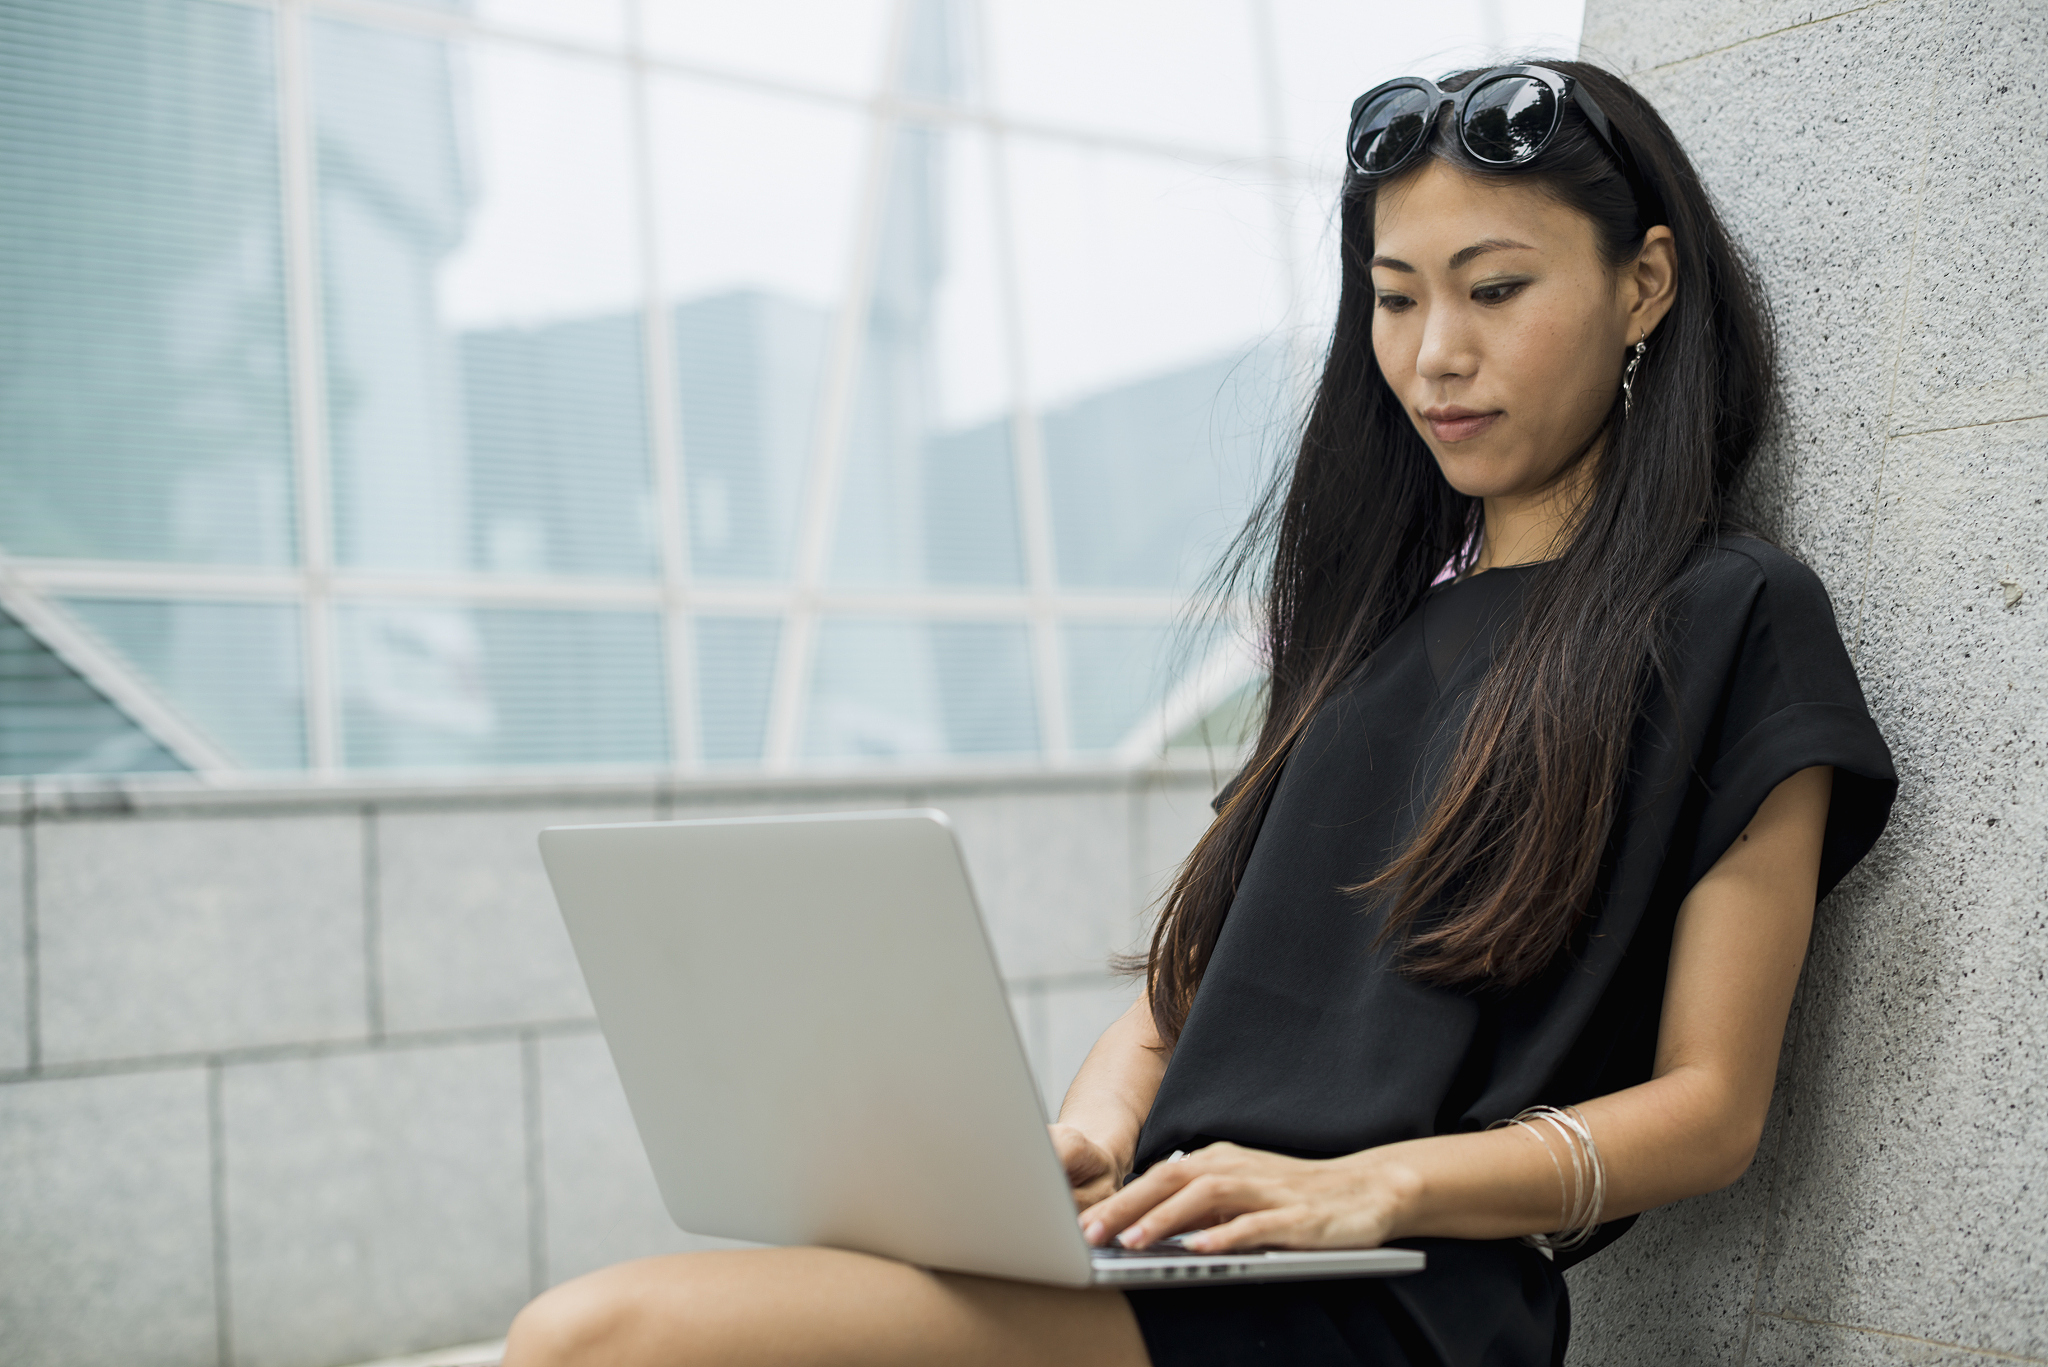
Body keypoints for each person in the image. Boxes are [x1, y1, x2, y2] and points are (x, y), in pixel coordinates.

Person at [501, 58, 1896, 1367]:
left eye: (1495, 289)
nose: (1433, 356)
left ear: (1645, 285)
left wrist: (1371, 1187)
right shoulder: (1372, 633)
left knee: (601, 1338)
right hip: (1185, 1245)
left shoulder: (1735, 616)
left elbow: (1712, 1109)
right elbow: (1179, 1011)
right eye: (1396, 296)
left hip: (1393, 1295)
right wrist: (1093, 1137)